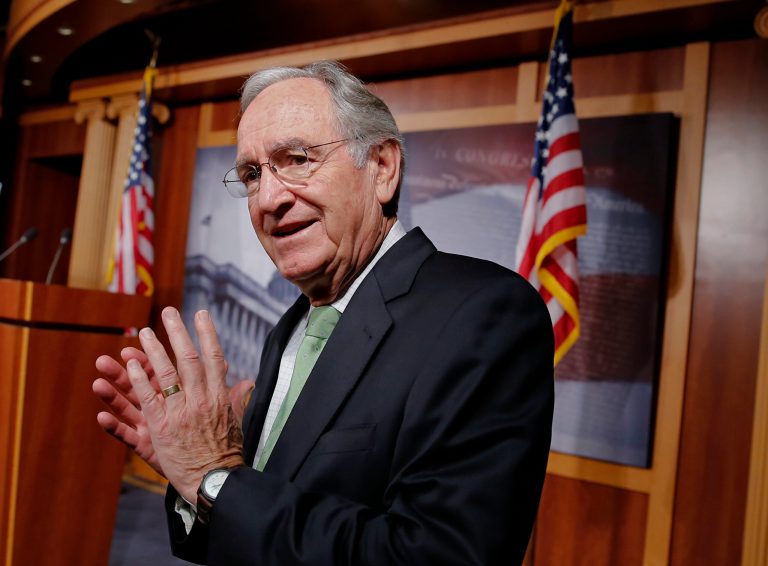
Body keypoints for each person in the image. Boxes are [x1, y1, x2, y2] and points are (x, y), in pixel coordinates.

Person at [93, 60, 554, 566]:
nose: (268, 198)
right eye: (251, 174)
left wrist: (218, 480)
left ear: (381, 169)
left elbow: (438, 555)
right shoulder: (293, 325)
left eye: (296, 159)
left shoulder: (484, 315)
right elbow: (249, 527)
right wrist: (194, 484)